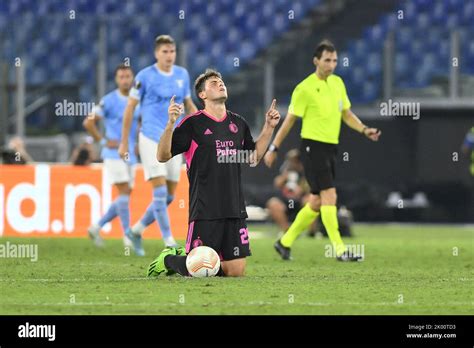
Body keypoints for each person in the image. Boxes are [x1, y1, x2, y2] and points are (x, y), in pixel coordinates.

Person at [144, 69, 280, 277]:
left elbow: (253, 157)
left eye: (221, 81)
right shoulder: (192, 124)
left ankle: (191, 258)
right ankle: (170, 259)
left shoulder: (238, 123)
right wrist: (171, 124)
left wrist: (269, 128)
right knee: (197, 269)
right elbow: (162, 155)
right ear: (202, 95)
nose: (220, 84)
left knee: (235, 271)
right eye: (214, 82)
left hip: (234, 208)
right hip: (205, 209)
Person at [264, 40, 381, 261]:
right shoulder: (304, 88)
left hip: (330, 148)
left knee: (316, 201)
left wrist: (365, 130)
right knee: (330, 195)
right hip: (312, 147)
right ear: (316, 61)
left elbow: (346, 114)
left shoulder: (337, 83)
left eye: (335, 60)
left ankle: (284, 242)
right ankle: (339, 250)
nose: (332, 64)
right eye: (327, 60)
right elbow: (289, 121)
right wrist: (274, 147)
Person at [119, 35, 198, 254]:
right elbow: (129, 109)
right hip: (150, 138)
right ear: (156, 54)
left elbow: (189, 103)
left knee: (170, 196)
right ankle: (169, 242)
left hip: (174, 141)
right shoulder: (145, 76)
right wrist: (125, 142)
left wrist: (204, 123)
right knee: (161, 193)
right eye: (165, 51)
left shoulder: (182, 74)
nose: (169, 55)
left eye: (172, 51)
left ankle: (135, 230)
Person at [83, 64, 140, 249]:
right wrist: (102, 141)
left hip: (130, 154)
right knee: (124, 192)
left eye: (128, 76)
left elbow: (138, 124)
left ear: (132, 78)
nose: (125, 80)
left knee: (125, 195)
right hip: (113, 154)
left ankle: (96, 227)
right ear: (116, 80)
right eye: (121, 77)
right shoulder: (108, 100)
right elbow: (89, 122)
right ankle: (127, 235)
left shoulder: (137, 100)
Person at [266, 149, 310, 232]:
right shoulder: (285, 171)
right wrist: (285, 177)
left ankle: (311, 232)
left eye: (296, 161)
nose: (294, 164)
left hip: (300, 201)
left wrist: (301, 188)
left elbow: (310, 188)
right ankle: (287, 231)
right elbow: (277, 184)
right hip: (286, 201)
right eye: (292, 161)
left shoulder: (305, 173)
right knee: (273, 203)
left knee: (310, 201)